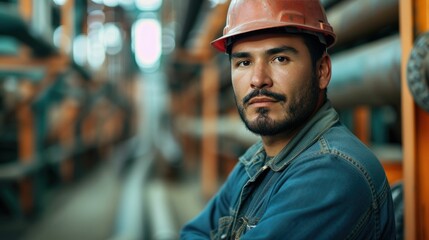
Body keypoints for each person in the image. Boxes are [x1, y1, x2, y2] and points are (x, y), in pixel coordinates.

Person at [180, 0, 396, 239]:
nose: (258, 79)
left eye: (279, 58)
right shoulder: (255, 161)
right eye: (244, 62)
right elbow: (193, 232)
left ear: (322, 71)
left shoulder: (332, 173)